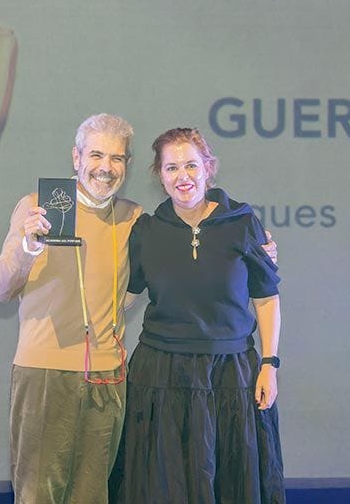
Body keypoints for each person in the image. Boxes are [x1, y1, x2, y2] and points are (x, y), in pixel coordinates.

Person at [0, 116, 278, 503]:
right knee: (39, 492)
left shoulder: (133, 219)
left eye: (116, 157)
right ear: (75, 157)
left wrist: (259, 257)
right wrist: (26, 247)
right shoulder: (40, 209)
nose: (105, 167)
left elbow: (129, 288)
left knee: (94, 493)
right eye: (96, 154)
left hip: (111, 375)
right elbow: (2, 288)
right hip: (51, 372)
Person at [110, 127, 285, 504]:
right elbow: (123, 298)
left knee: (230, 484)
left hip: (231, 373)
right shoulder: (147, 231)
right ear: (160, 175)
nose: (182, 176)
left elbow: (266, 297)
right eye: (172, 168)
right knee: (163, 486)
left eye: (191, 165)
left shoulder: (242, 224)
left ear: (208, 168)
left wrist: (269, 364)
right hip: (160, 375)